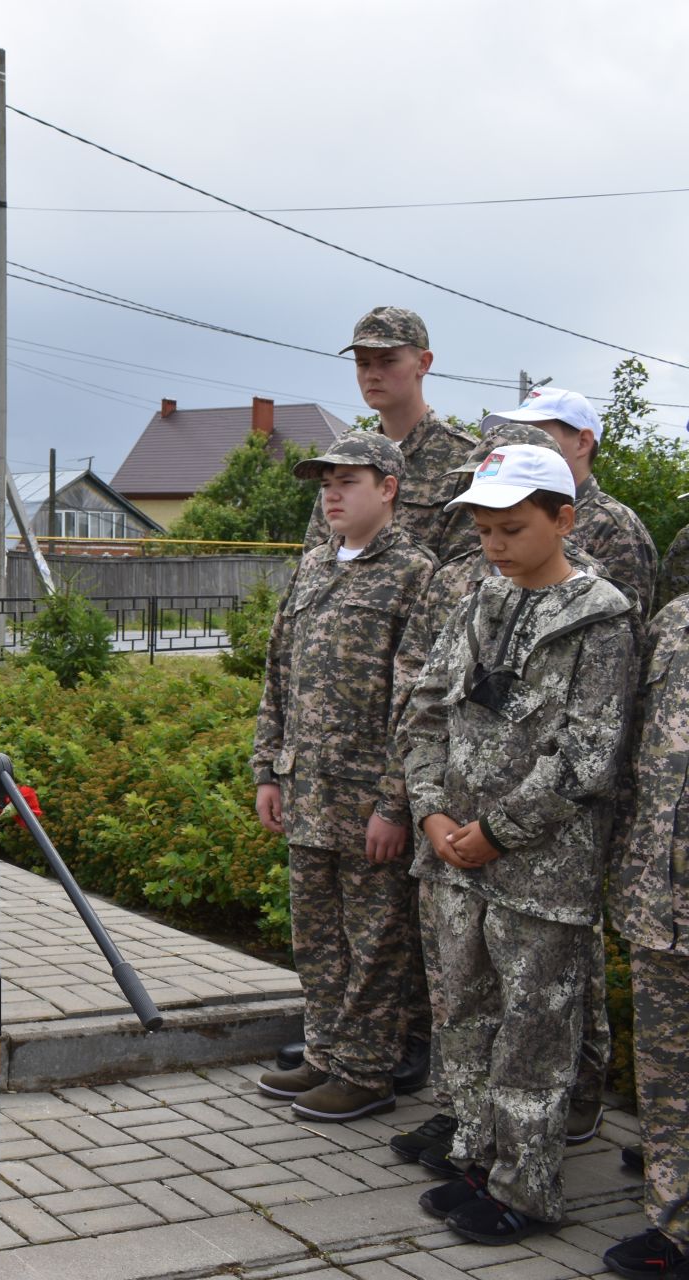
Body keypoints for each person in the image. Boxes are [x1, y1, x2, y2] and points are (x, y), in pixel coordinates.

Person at [399, 443, 640, 1245]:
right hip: (456, 856)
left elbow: (588, 755)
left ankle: (528, 1187)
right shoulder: (479, 604)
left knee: (534, 1030)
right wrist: (433, 816)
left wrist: (496, 834)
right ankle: (477, 1152)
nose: (494, 546)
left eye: (511, 529)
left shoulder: (601, 619)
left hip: (541, 869)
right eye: (483, 531)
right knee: (464, 1013)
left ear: (563, 519)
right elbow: (426, 708)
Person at [252, 432, 436, 1121]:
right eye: (324, 483)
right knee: (318, 936)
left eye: (347, 481)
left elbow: (419, 700)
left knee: (377, 940)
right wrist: (267, 768)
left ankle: (368, 1070)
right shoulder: (311, 567)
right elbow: (276, 676)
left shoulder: (418, 574)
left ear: (387, 487)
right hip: (306, 791)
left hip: (367, 805)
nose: (330, 494)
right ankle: (326, 1054)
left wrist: (395, 802)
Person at [603, 590, 689, 1279]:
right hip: (661, 902)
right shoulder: (673, 621)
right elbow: (631, 755)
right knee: (667, 1074)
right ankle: (676, 1225)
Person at [304, 306, 480, 563]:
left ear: (423, 363)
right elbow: (315, 554)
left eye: (388, 361)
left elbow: (466, 568)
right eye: (363, 363)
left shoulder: (465, 457)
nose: (372, 375)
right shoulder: (348, 455)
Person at [481, 388, 656, 616]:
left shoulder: (615, 525)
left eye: (533, 434)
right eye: (512, 434)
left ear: (583, 442)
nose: (517, 445)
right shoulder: (491, 511)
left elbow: (623, 625)